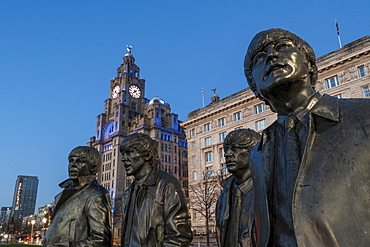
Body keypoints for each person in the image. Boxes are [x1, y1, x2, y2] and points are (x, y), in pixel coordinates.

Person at [244, 28, 370, 247]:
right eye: (259, 58)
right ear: (255, 88)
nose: (272, 56)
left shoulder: (364, 115)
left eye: (282, 47)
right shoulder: (258, 152)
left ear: (310, 64)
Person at [119, 133, 192, 246]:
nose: (123, 159)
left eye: (129, 153)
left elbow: (180, 237)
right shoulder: (128, 192)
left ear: (147, 155)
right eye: (123, 154)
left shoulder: (168, 185)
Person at [43, 146, 112, 247]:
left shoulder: (96, 194)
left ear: (92, 167)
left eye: (79, 161)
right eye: (71, 161)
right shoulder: (63, 194)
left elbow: (101, 239)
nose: (73, 165)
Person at [216, 129, 260, 247]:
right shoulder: (223, 196)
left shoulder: (268, 190)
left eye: (235, 149)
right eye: (226, 149)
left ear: (254, 151)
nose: (227, 154)